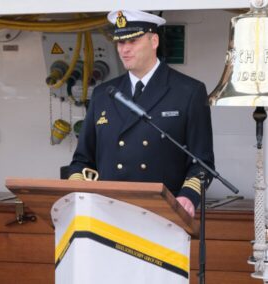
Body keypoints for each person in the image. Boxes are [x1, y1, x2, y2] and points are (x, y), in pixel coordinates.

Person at [62, 10, 214, 217]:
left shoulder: (188, 91)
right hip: (107, 212)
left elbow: (202, 163)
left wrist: (188, 196)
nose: (124, 49)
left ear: (154, 41)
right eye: (120, 43)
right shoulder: (103, 94)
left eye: (132, 41)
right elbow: (81, 161)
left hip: (161, 214)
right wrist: (79, 190)